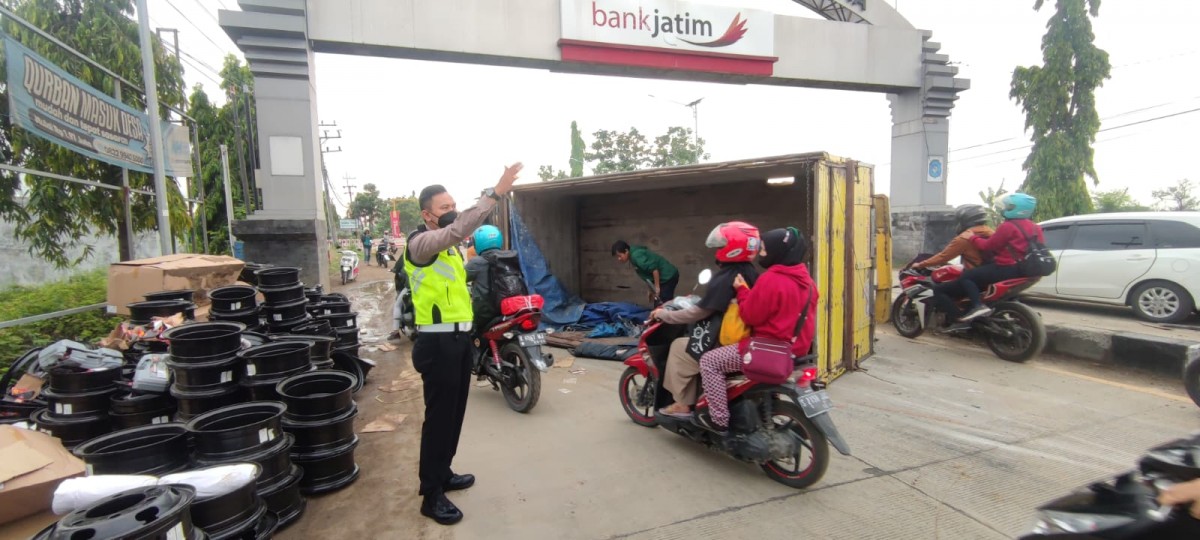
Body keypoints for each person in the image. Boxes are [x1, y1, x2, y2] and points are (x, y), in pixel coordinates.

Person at [402, 163, 523, 525]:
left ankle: (444, 472)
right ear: (427, 214)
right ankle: (430, 494)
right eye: (444, 207)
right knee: (438, 419)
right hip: (436, 345)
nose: (451, 211)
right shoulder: (421, 244)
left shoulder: (453, 252)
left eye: (453, 204)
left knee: (454, 414)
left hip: (458, 340)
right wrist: (495, 193)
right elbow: (458, 229)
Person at [694, 227, 818, 434]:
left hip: (767, 351)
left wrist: (742, 291)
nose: (760, 254)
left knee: (709, 361)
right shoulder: (809, 282)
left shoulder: (771, 279)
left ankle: (719, 420)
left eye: (763, 250)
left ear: (778, 252)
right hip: (798, 352)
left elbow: (750, 316)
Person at [650, 222, 761, 418]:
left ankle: (682, 404)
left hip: (728, 342)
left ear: (732, 248)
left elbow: (699, 313)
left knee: (678, 347)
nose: (717, 250)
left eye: (720, 246)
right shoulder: (753, 273)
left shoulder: (727, 276)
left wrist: (665, 315)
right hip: (751, 338)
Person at [958, 193, 1044, 321]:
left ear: (1016, 209)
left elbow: (988, 247)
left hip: (1008, 268)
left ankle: (977, 306)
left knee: (966, 277)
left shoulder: (1007, 226)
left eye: (1008, 207)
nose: (1004, 209)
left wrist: (972, 237)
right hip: (1028, 269)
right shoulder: (1035, 227)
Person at [912, 205, 995, 325]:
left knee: (938, 290)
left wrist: (920, 264)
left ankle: (957, 319)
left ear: (965, 220)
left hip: (975, 277)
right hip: (992, 275)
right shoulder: (991, 232)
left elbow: (943, 256)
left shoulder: (965, 238)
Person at [464, 224, 514, 331]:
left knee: (469, 329)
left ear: (477, 243)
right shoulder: (510, 256)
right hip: (510, 306)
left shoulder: (476, 262)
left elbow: (460, 278)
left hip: (486, 311)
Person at [612, 241, 679, 306]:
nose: (619, 259)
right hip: (664, 278)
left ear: (626, 251)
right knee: (659, 304)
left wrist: (657, 288)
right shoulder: (633, 254)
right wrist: (651, 289)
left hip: (668, 277)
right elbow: (647, 273)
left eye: (620, 256)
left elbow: (654, 269)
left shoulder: (636, 256)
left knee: (661, 305)